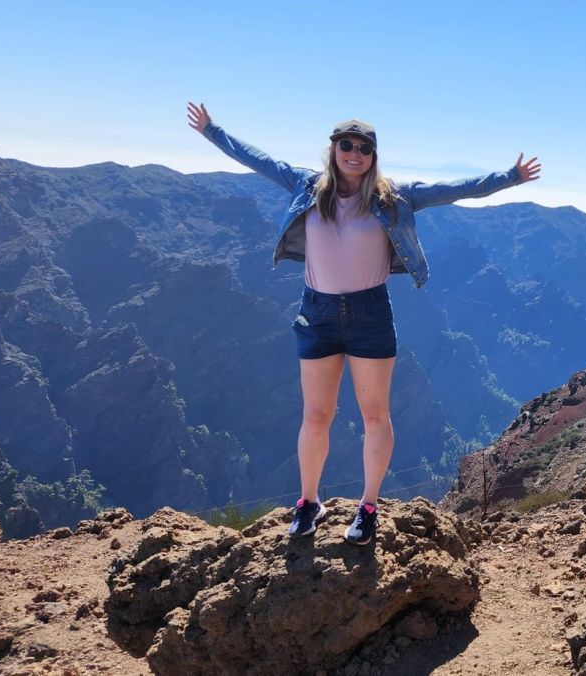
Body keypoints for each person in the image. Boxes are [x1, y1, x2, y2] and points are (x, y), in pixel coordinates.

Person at [187, 102, 541, 545]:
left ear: (374, 154)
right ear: (333, 149)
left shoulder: (394, 197)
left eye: (364, 147)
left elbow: (456, 189)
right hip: (317, 313)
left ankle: (368, 507)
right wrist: (212, 131)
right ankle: (307, 503)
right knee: (316, 417)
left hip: (370, 315)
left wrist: (509, 176)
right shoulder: (306, 186)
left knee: (375, 417)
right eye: (346, 145)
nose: (355, 153)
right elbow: (258, 159)